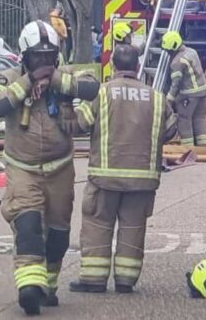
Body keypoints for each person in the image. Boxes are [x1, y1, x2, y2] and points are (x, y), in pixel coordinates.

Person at [0, 20, 99, 315]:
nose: (45, 61)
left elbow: (91, 86)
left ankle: (48, 284)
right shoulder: (8, 77)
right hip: (23, 168)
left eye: (50, 56)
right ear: (24, 56)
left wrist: (57, 80)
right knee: (28, 226)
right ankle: (28, 290)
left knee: (59, 233)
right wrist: (27, 83)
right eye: (38, 56)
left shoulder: (67, 75)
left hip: (60, 168)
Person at [70, 44, 177, 294]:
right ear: (138, 67)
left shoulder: (101, 94)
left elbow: (79, 124)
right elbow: (171, 130)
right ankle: (125, 281)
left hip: (104, 180)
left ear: (113, 66)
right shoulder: (157, 97)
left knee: (98, 226)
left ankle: (93, 280)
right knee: (133, 229)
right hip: (142, 181)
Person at [161, 31, 206, 147]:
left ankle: (187, 149)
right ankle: (202, 148)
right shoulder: (192, 52)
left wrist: (169, 100)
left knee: (184, 121)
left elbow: (176, 84)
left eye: (168, 50)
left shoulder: (177, 62)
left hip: (188, 96)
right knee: (199, 119)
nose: (167, 53)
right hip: (203, 92)